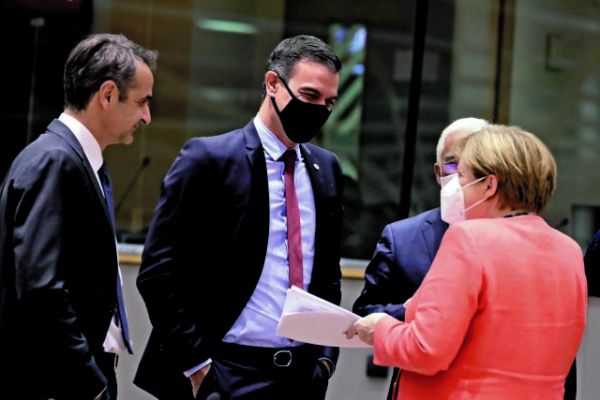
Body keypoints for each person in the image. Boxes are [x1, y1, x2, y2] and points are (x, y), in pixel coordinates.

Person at [134, 35, 344, 400]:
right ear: (273, 83)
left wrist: (325, 360)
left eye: (329, 102)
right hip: (224, 370)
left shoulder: (326, 168)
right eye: (309, 95)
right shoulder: (209, 159)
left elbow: (327, 274)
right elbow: (158, 272)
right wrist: (198, 366)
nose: (319, 109)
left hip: (302, 376)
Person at [347, 124, 587, 399]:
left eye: (461, 176)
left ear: (489, 185)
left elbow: (426, 350)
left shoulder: (468, 238)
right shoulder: (568, 250)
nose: (454, 187)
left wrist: (380, 329)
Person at [0, 33, 157, 400]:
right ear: (107, 95)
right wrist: (90, 383)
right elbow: (42, 290)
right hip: (59, 383)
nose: (147, 117)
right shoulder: (54, 161)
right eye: (141, 102)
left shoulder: (70, 159)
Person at [352, 117, 488, 398]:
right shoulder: (403, 238)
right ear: (438, 172)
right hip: (420, 386)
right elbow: (365, 313)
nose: (462, 175)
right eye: (453, 165)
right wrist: (415, 312)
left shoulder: (519, 240)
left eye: (475, 165)